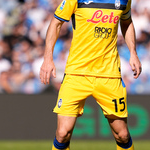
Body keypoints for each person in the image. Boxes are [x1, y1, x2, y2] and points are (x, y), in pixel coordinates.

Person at [40, 0, 142, 150]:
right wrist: (48, 58)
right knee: (62, 133)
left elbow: (126, 22)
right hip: (76, 73)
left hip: (109, 75)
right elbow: (56, 23)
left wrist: (133, 52)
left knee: (122, 135)